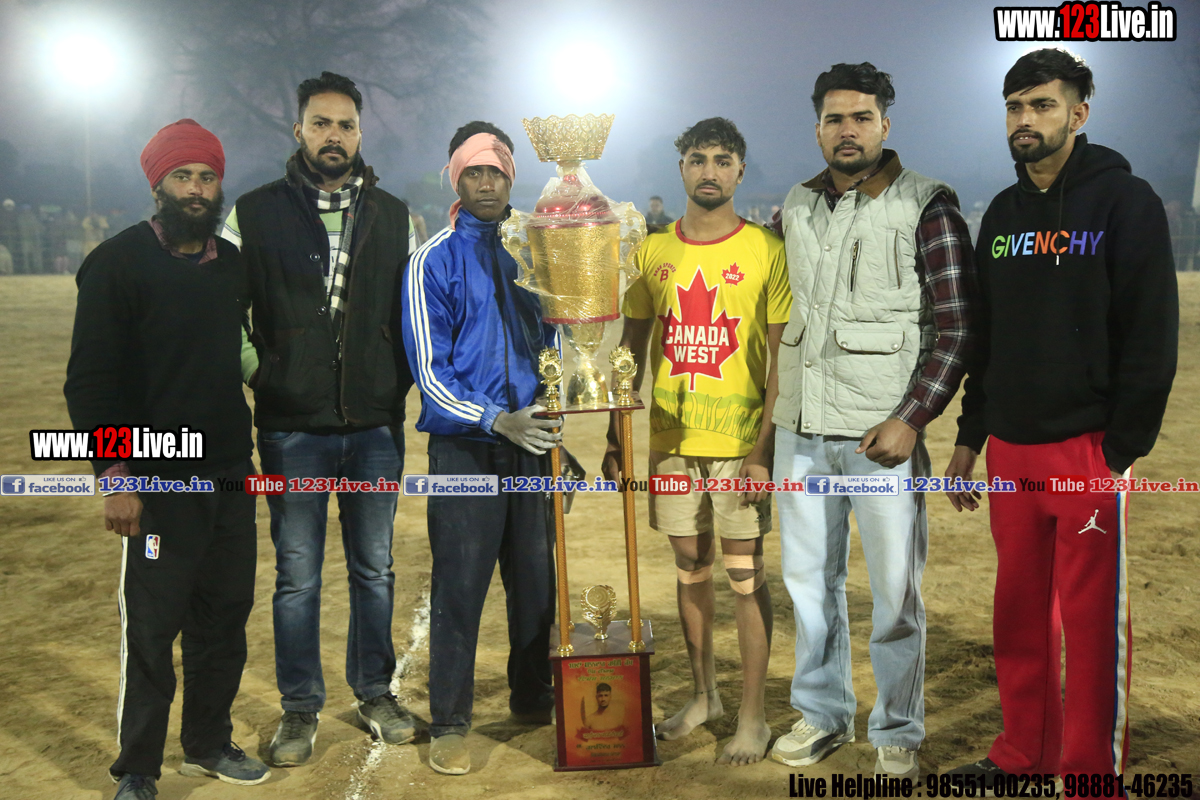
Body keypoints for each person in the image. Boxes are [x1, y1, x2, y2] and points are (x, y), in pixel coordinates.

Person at [944, 48, 1178, 783]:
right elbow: (985, 335)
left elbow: (1151, 329)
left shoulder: (1125, 201)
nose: (1026, 119)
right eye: (1015, 106)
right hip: (1011, 450)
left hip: (1086, 450)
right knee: (1018, 613)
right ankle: (1026, 753)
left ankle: (1088, 774)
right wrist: (971, 435)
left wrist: (1120, 448)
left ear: (1078, 114)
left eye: (1042, 105)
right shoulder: (1001, 215)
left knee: (1090, 621)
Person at [766, 63, 977, 780]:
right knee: (808, 587)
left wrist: (911, 419)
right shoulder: (795, 205)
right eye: (835, 119)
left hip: (882, 438)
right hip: (800, 433)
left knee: (894, 595)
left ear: (885, 124)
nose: (847, 130)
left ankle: (896, 728)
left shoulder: (927, 204)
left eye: (861, 117)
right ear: (818, 129)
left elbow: (956, 327)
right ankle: (821, 714)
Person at [64, 119, 269, 800]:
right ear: (158, 185)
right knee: (152, 630)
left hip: (230, 479)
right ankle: (138, 768)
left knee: (224, 619)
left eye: (207, 177)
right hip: (157, 482)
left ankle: (207, 744)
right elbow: (90, 384)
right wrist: (115, 478)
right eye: (183, 176)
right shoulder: (115, 264)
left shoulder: (231, 265)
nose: (196, 189)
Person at [223, 71, 417, 766]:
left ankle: (375, 693)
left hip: (373, 426)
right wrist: (262, 372)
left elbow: (412, 314)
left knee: (375, 569)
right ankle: (299, 707)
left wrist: (393, 379)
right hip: (292, 427)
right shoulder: (252, 212)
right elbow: (223, 307)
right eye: (320, 123)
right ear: (299, 130)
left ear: (360, 134)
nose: (333, 135)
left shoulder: (395, 215)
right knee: (298, 575)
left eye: (346, 125)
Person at [603, 117, 790, 767]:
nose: (710, 170)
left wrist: (763, 451)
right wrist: (616, 433)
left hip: (740, 445)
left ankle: (753, 716)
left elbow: (781, 364)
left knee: (744, 576)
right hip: (672, 441)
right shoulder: (651, 251)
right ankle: (705, 696)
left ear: (740, 170)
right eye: (698, 159)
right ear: (681, 167)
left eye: (723, 159)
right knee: (690, 568)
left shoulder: (767, 249)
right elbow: (630, 348)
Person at [402, 120, 560, 776]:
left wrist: (550, 421)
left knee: (537, 583)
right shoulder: (431, 259)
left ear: (511, 177)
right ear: (456, 178)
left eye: (496, 171)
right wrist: (496, 419)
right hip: (464, 450)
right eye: (474, 172)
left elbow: (555, 345)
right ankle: (450, 721)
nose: (486, 182)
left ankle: (532, 696)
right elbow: (430, 372)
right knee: (460, 586)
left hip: (532, 445)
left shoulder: (536, 251)